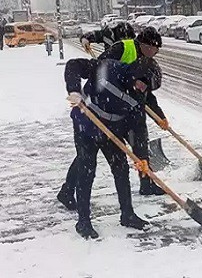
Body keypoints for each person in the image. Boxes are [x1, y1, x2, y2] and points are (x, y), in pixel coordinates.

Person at [57, 27, 166, 211]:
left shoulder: (146, 67)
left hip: (121, 113)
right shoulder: (122, 49)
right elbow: (99, 68)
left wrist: (160, 116)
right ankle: (67, 191)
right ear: (144, 45)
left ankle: (145, 182)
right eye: (153, 49)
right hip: (98, 109)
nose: (154, 53)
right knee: (86, 159)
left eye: (156, 50)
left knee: (137, 143)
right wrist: (77, 91)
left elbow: (144, 95)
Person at [65, 56, 163, 239]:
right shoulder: (107, 68)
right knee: (87, 169)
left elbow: (138, 129)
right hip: (86, 124)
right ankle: (83, 221)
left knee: (121, 169)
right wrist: (74, 90)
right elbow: (73, 65)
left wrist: (142, 158)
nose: (143, 89)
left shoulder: (137, 98)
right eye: (143, 84)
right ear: (136, 74)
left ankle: (127, 215)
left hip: (111, 131)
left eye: (147, 88)